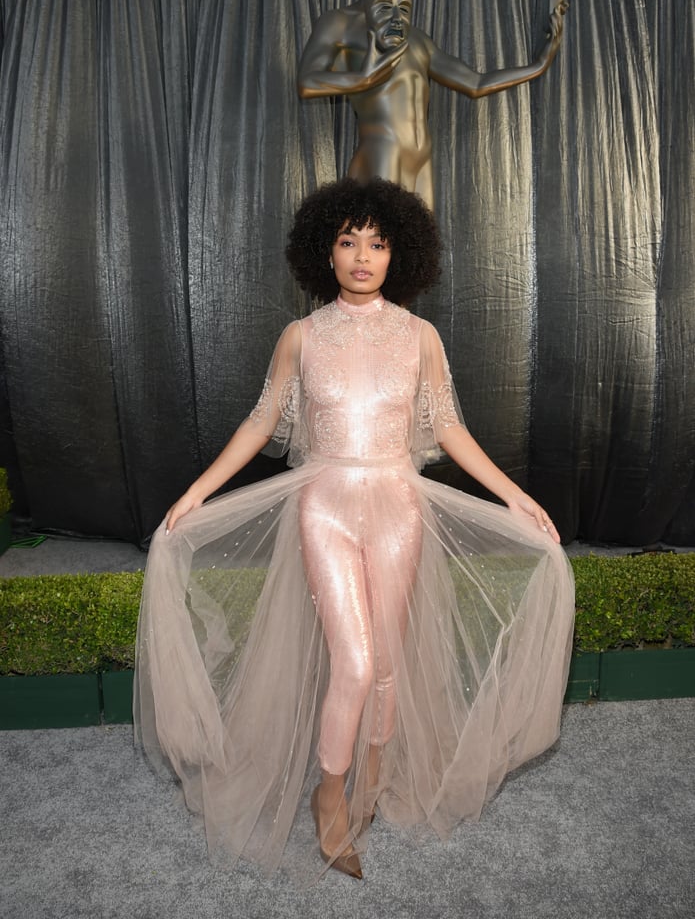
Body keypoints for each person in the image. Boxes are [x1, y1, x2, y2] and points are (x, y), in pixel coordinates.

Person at [134, 178, 574, 882]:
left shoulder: (419, 337)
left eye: (376, 242)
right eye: (347, 241)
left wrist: (515, 496)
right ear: (324, 253)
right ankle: (328, 793)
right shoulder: (300, 337)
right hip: (326, 505)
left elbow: (449, 427)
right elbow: (259, 422)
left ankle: (370, 779)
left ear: (400, 253)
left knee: (389, 667)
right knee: (357, 664)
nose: (362, 256)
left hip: (400, 507)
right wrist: (195, 492)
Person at [297, 0, 568, 209]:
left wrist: (540, 63)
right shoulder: (340, 22)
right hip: (383, 149)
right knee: (381, 244)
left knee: (421, 249)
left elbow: (475, 83)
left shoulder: (418, 39)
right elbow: (307, 82)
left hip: (422, 156)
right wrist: (364, 79)